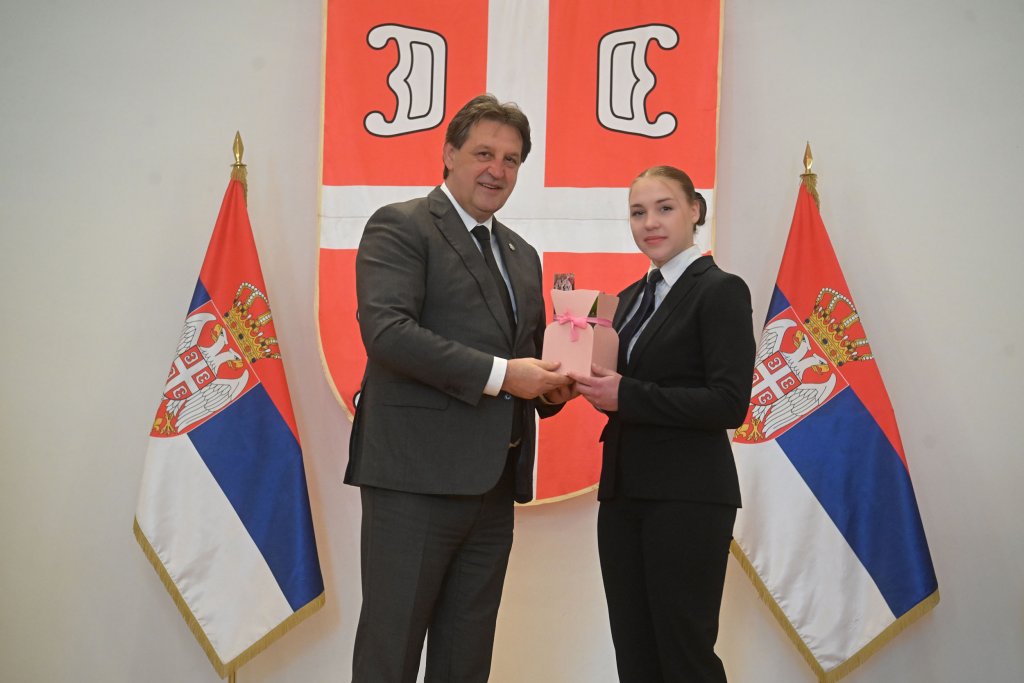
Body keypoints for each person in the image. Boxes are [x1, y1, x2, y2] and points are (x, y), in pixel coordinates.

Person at [346, 94, 572, 683]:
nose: (498, 170)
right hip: (413, 483)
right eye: (484, 154)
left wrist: (551, 385)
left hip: (493, 488)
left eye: (512, 159)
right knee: (391, 653)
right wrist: (505, 376)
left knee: (466, 661)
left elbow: (524, 355)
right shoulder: (401, 225)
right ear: (449, 154)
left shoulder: (523, 254)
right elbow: (388, 334)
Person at [571, 166, 756, 682]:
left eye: (664, 208)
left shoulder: (720, 290)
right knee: (635, 654)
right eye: (638, 212)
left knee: (684, 654)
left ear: (695, 210)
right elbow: (622, 388)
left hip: (688, 496)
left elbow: (729, 403)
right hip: (623, 493)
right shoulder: (628, 297)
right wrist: (579, 382)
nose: (649, 222)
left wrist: (625, 394)